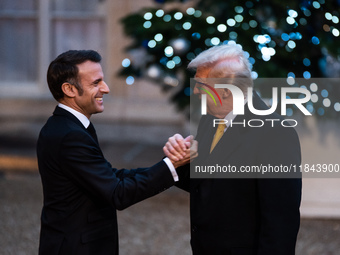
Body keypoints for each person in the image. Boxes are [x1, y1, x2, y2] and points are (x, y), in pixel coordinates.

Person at [37, 50, 196, 255]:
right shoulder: (69, 135)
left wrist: (169, 164)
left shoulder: (70, 126)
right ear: (69, 89)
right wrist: (171, 165)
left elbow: (109, 176)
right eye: (96, 83)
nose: (106, 88)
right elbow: (117, 193)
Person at [164, 44, 302, 255]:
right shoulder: (210, 118)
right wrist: (180, 159)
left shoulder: (275, 134)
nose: (194, 91)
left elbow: (280, 224)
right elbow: (207, 184)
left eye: (201, 85)